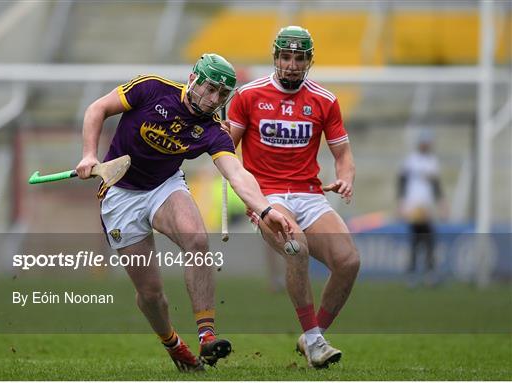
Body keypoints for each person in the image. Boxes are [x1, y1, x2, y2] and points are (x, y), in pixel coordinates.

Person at [75, 53, 293, 373]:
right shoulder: (152, 89)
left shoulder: (213, 130)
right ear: (194, 79)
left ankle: (207, 335)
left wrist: (264, 208)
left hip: (164, 185)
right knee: (151, 295)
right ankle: (174, 344)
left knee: (197, 240)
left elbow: (236, 173)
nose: (214, 99)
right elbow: (98, 109)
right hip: (120, 193)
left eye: (222, 94)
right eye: (210, 88)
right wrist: (88, 155)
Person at [225, 26, 360, 368]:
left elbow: (343, 155)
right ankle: (315, 340)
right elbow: (226, 150)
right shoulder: (248, 96)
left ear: (309, 61)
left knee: (348, 262)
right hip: (267, 195)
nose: (292, 64)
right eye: (286, 57)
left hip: (310, 194)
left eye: (299, 58)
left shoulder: (325, 100)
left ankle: (312, 336)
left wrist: (344, 178)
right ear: (275, 58)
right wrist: (237, 179)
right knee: (295, 246)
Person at [397, 129, 446, 286]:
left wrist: (441, 203)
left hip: (426, 205)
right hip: (414, 205)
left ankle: (425, 272)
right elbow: (402, 182)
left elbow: (436, 185)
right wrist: (402, 202)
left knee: (426, 240)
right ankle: (416, 273)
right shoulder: (411, 160)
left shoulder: (432, 161)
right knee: (419, 239)